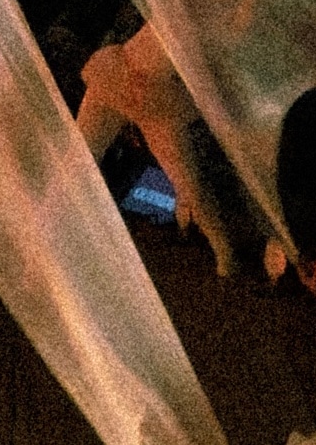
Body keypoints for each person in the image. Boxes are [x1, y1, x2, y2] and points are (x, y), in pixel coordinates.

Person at [77, 14, 252, 277]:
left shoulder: (212, 23)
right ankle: (56, 227)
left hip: (153, 98)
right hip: (122, 76)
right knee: (82, 157)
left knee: (188, 183)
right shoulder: (179, 3)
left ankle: (225, 254)